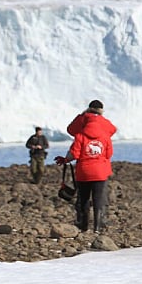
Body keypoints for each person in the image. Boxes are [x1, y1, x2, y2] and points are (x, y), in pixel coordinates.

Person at [56, 99, 117, 232]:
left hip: (84, 172)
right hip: (100, 171)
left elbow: (74, 153)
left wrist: (65, 160)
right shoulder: (105, 135)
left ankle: (83, 225)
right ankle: (98, 226)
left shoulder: (80, 135)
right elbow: (109, 154)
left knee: (83, 199)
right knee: (99, 200)